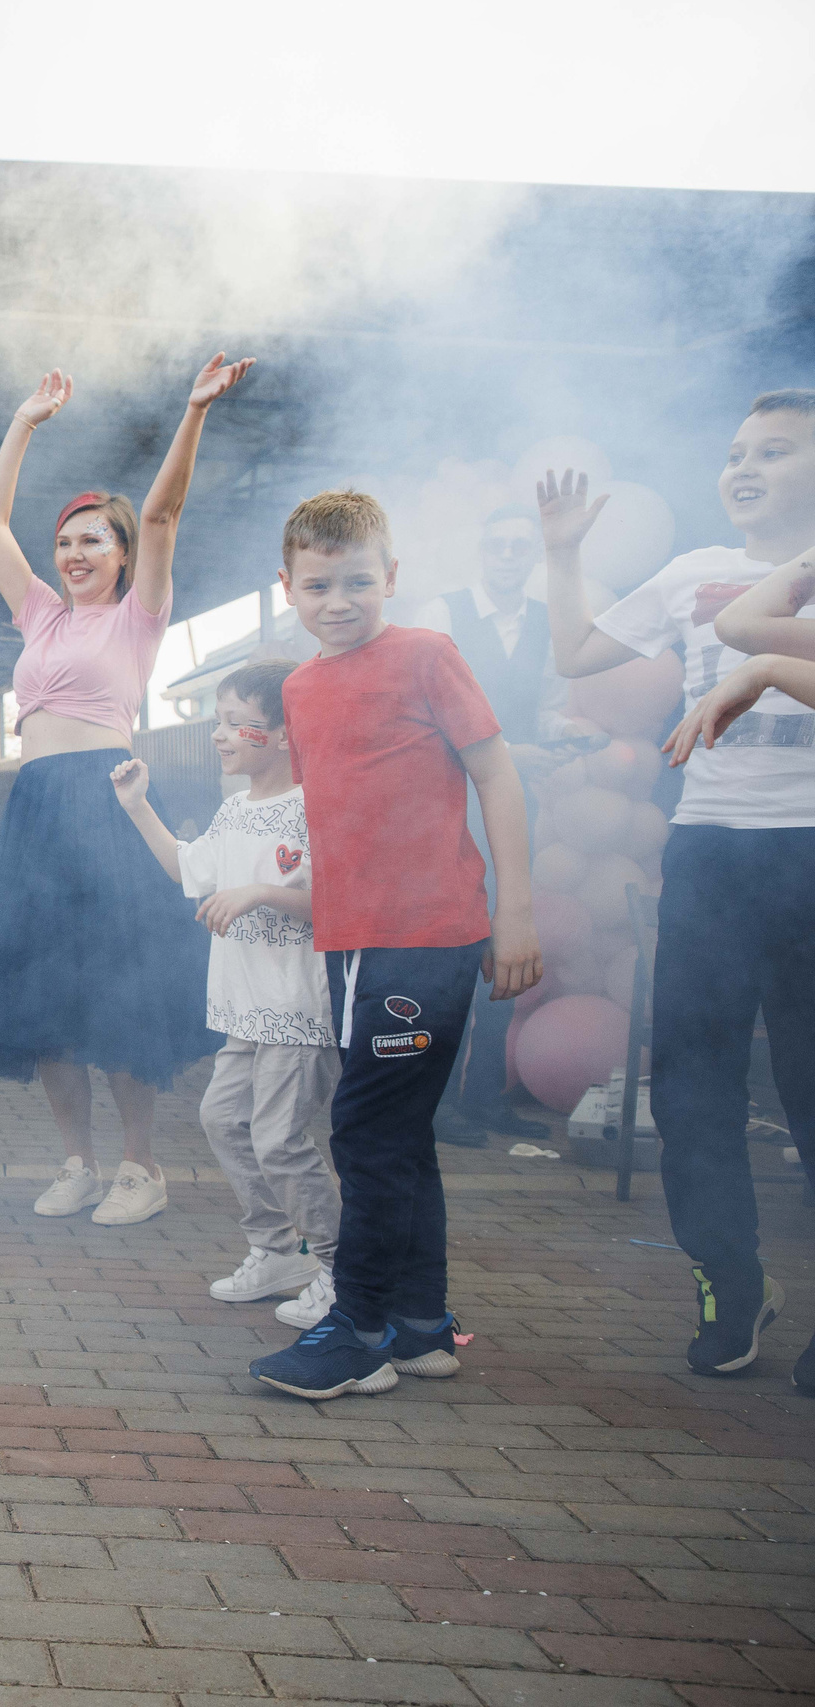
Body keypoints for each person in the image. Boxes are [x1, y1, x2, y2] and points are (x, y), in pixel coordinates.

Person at [542, 389, 815, 1384]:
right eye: (735, 452)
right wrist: (565, 553)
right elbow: (573, 655)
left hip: (812, 849)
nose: (742, 467)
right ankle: (728, 1284)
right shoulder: (696, 573)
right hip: (708, 852)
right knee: (693, 1087)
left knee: (807, 1082)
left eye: (775, 452)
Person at [0, 356, 251, 1225]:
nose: (77, 553)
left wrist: (192, 412)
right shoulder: (41, 615)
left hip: (104, 799)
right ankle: (75, 1160)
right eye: (67, 540)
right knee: (38, 995)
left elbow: (163, 511)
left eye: (93, 540)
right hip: (36, 808)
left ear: (121, 555)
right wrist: (25, 422)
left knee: (116, 995)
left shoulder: (138, 616)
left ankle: (140, 1168)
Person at [248, 491, 541, 1401]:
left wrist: (516, 913)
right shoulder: (298, 687)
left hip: (429, 937)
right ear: (288, 587)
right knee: (399, 1137)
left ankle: (358, 1328)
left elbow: (497, 772)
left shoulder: (427, 654)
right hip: (350, 943)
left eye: (359, 581)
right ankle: (420, 1325)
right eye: (319, 584)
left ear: (393, 577)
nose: (339, 600)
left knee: (365, 1132)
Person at [112, 660, 342, 1329]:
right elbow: (190, 869)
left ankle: (338, 1264)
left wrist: (262, 893)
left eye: (235, 721)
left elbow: (333, 901)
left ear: (282, 733)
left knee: (277, 1138)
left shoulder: (312, 808)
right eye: (217, 718)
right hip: (244, 1010)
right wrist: (137, 807)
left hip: (297, 1009)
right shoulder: (235, 809)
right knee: (222, 1119)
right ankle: (275, 1250)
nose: (219, 734)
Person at [415, 503, 583, 1146]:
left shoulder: (545, 623)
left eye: (521, 546)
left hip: (515, 802)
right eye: (499, 546)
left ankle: (483, 1096)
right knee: (452, 945)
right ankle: (434, 1106)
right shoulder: (442, 614)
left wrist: (572, 737)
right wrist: (516, 752)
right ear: (482, 554)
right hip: (447, 804)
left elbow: (548, 708)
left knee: (506, 936)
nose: (510, 555)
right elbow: (423, 719)